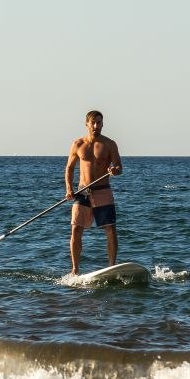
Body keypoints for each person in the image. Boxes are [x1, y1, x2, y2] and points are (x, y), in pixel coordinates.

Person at [64, 110, 124, 275]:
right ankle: (75, 270)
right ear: (87, 124)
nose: (97, 126)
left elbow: (119, 167)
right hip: (82, 192)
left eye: (100, 123)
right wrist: (69, 188)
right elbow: (69, 168)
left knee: (111, 229)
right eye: (94, 123)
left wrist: (114, 170)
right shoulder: (78, 144)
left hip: (103, 191)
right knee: (76, 229)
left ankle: (112, 265)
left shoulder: (109, 144)